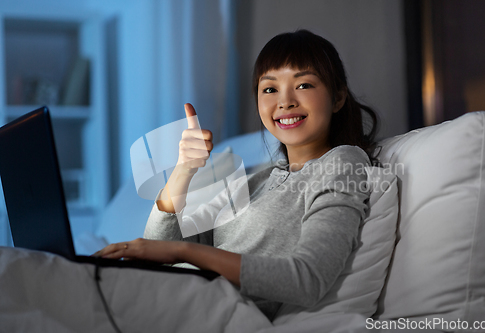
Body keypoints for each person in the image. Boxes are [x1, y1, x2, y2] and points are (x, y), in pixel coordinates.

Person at [96, 29, 379, 321]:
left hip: (210, 312)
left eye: (303, 84)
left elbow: (308, 279)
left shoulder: (343, 163)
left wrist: (181, 252)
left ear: (338, 97)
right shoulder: (260, 179)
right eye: (270, 89)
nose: (285, 101)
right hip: (173, 297)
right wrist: (183, 171)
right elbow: (158, 247)